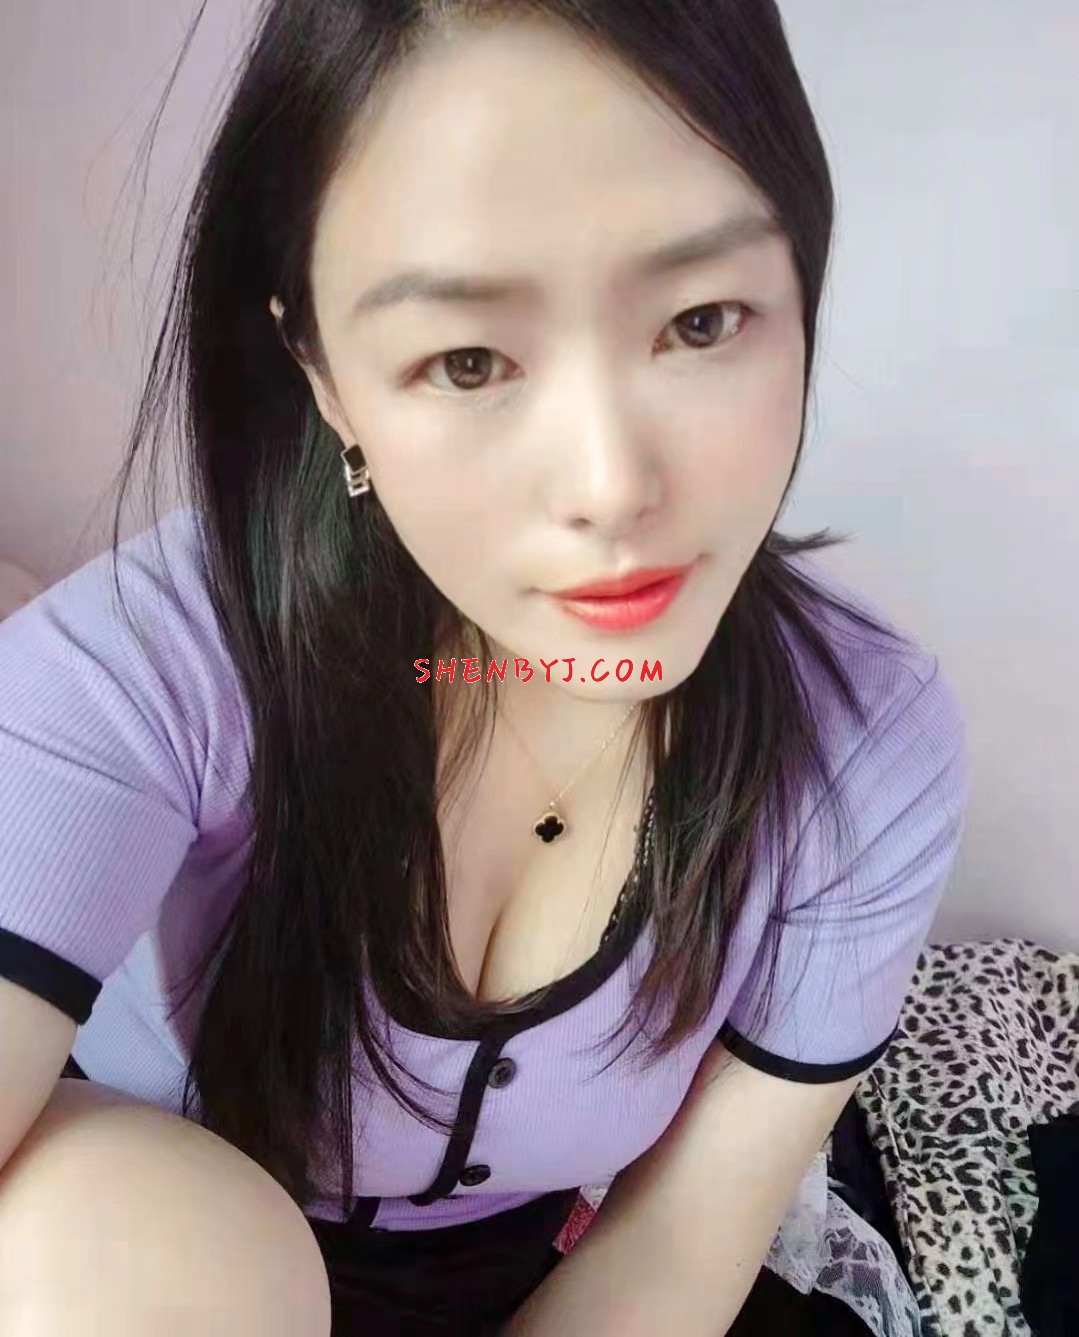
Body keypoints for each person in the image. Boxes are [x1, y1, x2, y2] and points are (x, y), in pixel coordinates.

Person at [0, 1, 969, 1333]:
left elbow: (684, 1237)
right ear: (324, 377)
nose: (612, 486)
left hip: (548, 1278)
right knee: (144, 1250)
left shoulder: (863, 742)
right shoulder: (140, 675)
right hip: (158, 1257)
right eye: (468, 360)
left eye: (702, 321)